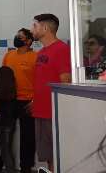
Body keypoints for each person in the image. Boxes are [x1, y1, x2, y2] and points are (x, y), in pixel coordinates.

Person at [31, 13, 71, 172]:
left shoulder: (61, 49)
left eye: (34, 26)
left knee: (58, 155)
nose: (31, 29)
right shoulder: (41, 53)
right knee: (48, 156)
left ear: (45, 28)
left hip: (54, 114)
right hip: (40, 112)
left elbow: (65, 82)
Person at [2, 28, 37, 173]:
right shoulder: (9, 55)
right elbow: (3, 76)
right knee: (4, 134)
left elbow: (40, 81)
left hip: (28, 101)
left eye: (20, 37)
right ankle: (1, 165)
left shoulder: (35, 57)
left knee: (28, 137)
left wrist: (35, 100)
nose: (17, 38)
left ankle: (26, 168)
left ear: (29, 41)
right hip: (9, 99)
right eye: (17, 35)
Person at [0, 66, 19, 173]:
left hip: (0, 123)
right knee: (7, 149)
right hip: (11, 123)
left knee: (3, 150)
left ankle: (8, 170)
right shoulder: (15, 92)